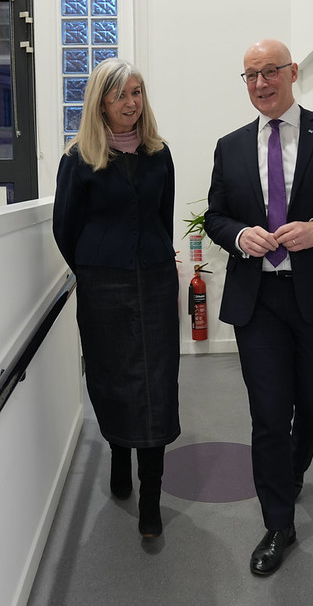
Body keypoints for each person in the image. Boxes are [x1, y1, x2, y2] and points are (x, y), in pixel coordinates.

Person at [204, 39, 313, 576]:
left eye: (270, 71)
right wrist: (240, 237)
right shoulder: (230, 147)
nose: (260, 83)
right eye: (250, 75)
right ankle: (278, 522)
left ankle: (291, 468)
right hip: (259, 301)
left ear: (293, 72)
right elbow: (215, 216)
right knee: (268, 414)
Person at [53, 58, 180, 538]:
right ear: (100, 103)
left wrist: (151, 256)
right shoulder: (78, 159)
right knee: (111, 379)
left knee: (156, 383)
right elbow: (65, 229)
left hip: (155, 281)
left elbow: (163, 216)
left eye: (136, 93)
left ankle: (151, 497)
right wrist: (96, 264)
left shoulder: (159, 154)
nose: (131, 103)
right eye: (120, 95)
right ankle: (118, 453)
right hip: (104, 288)